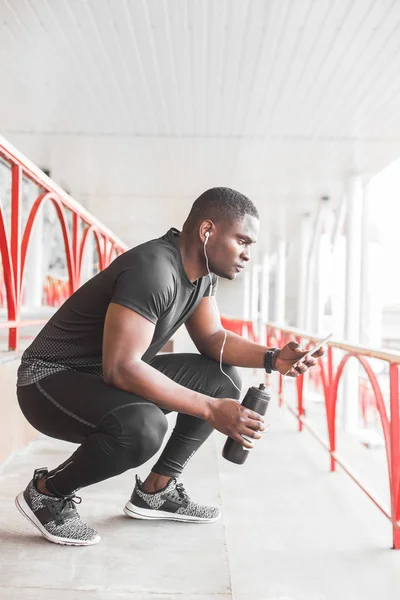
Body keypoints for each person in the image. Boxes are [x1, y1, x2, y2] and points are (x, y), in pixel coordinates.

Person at [15, 187, 323, 546]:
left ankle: (155, 492)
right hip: (48, 380)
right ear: (207, 231)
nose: (247, 254)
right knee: (144, 427)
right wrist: (210, 410)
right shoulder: (154, 270)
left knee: (219, 378)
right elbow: (122, 369)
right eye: (242, 241)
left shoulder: (202, 275)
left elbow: (211, 339)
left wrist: (272, 357)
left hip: (100, 377)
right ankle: (47, 492)